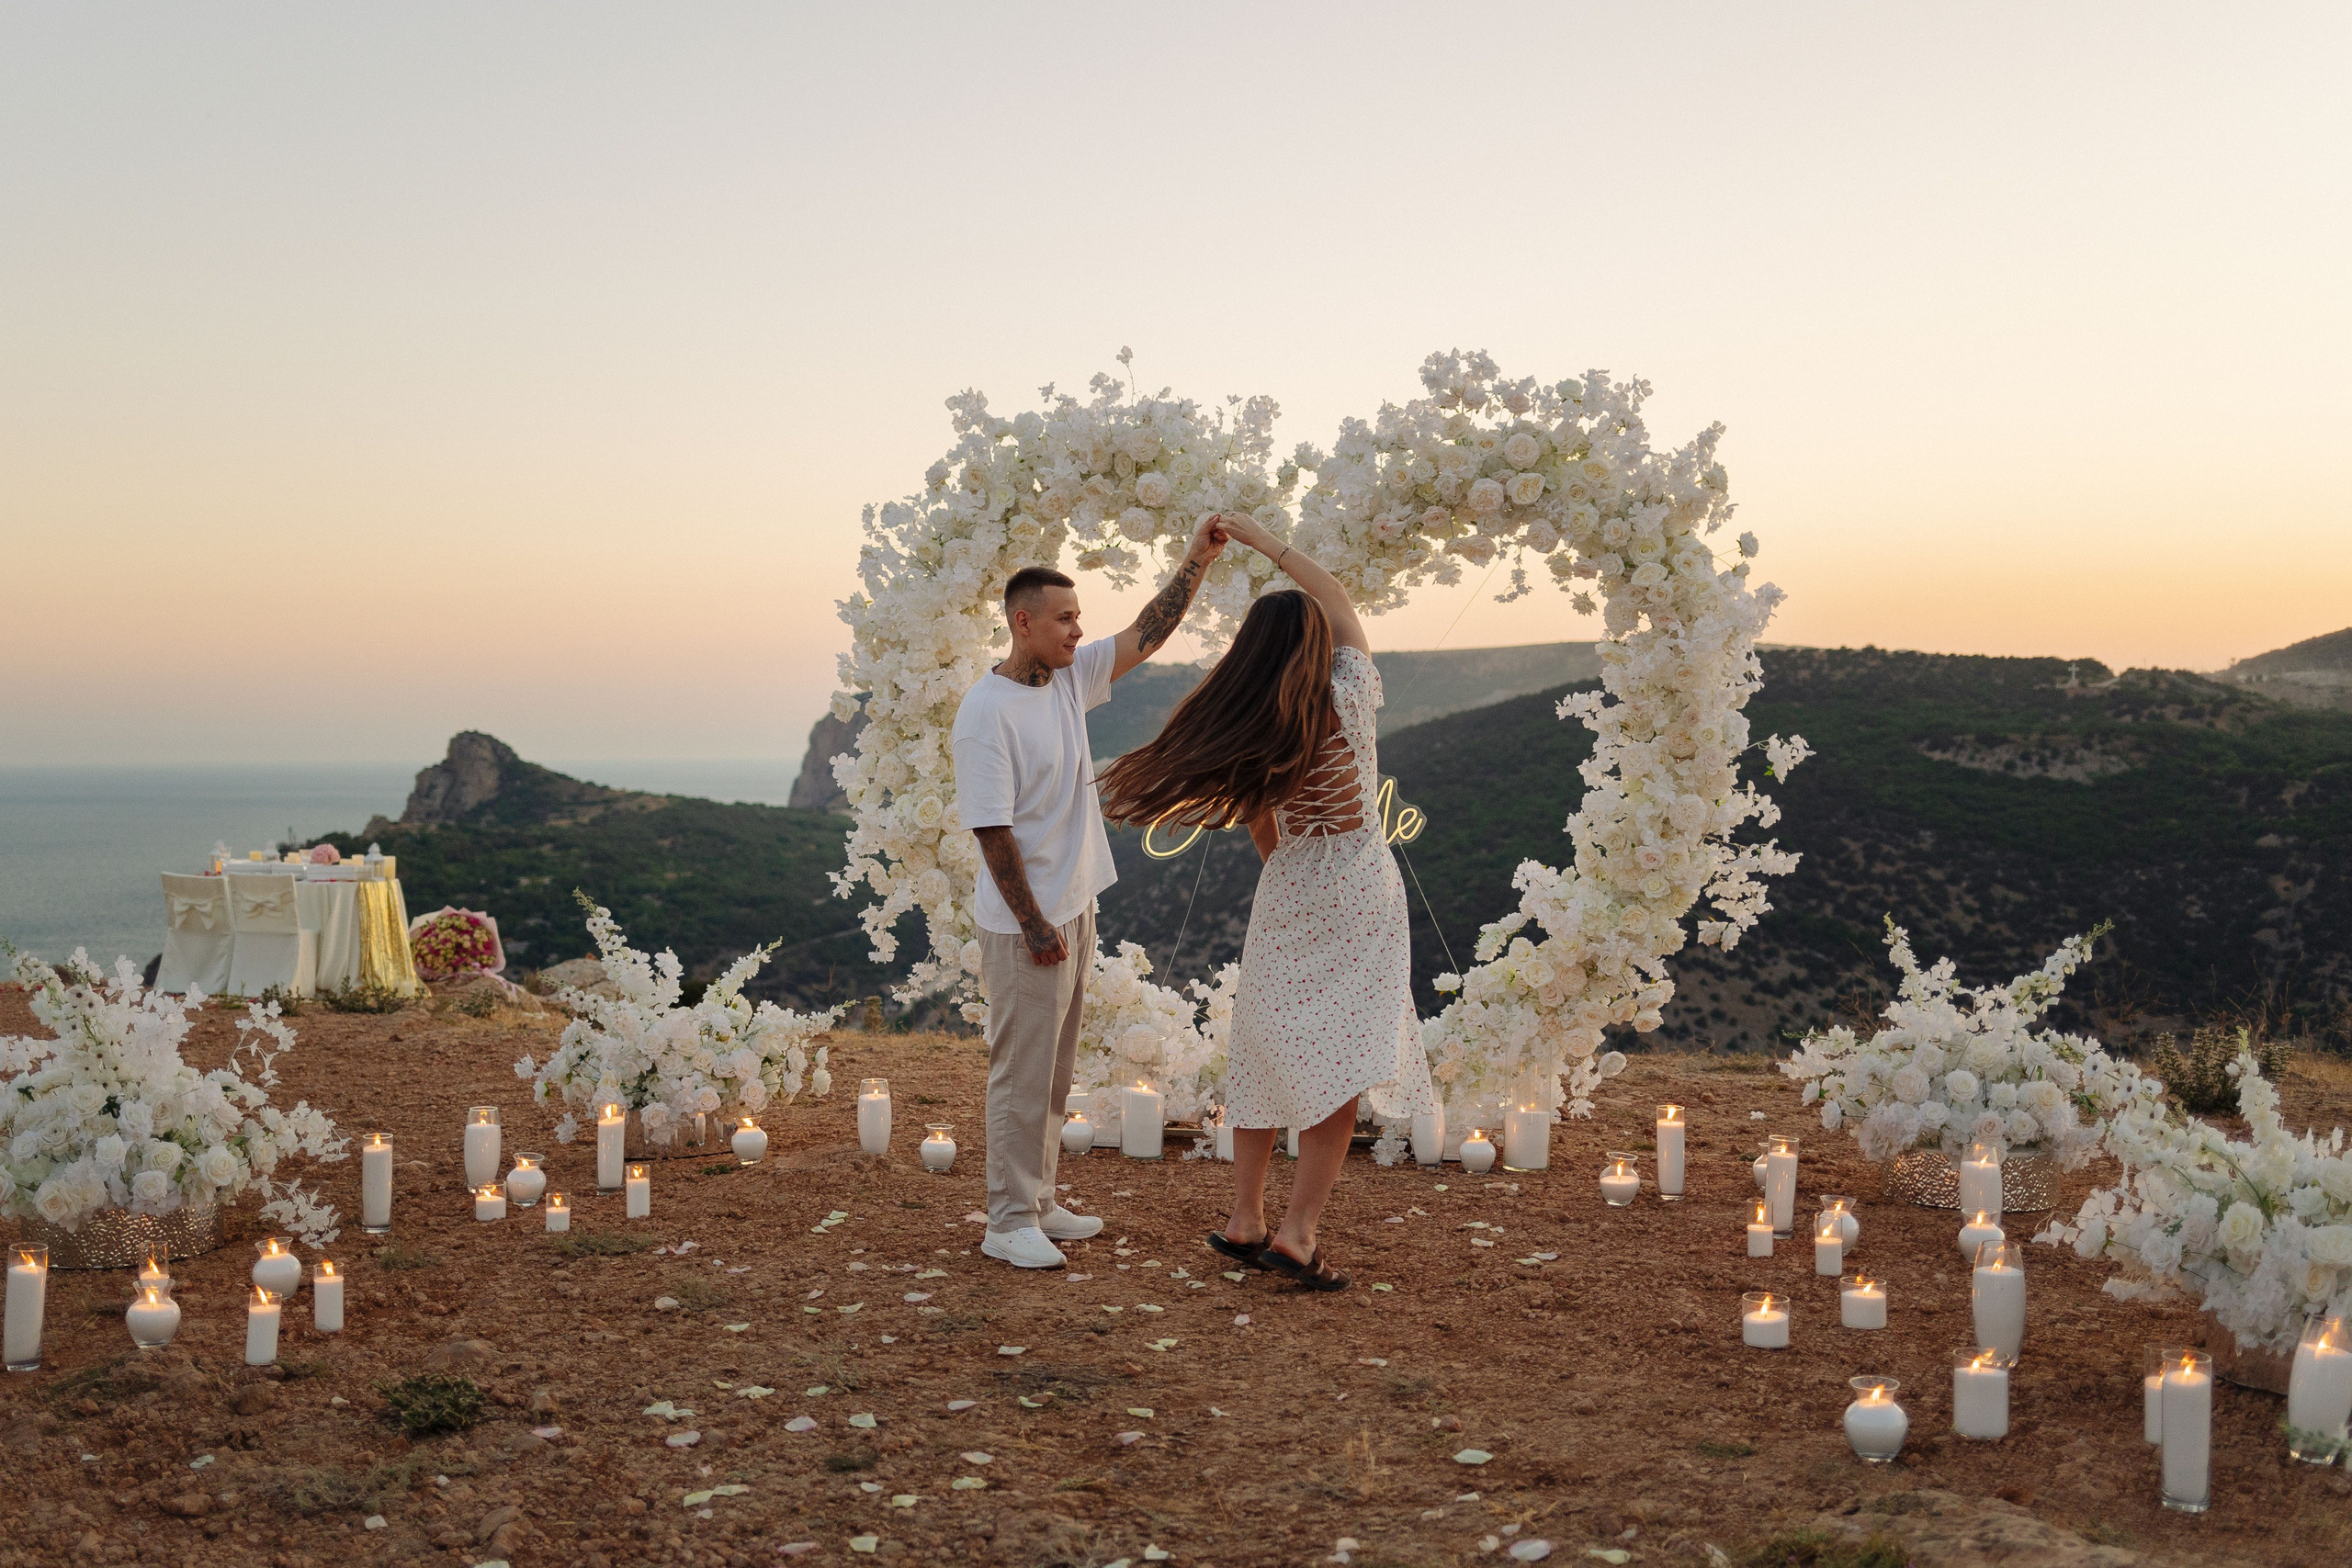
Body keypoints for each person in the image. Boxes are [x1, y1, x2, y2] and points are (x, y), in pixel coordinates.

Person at [1097, 514, 1436, 1292]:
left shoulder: (1257, 726)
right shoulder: (1348, 696)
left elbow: (1259, 822)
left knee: (1264, 1042)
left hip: (1290, 881)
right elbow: (1340, 599)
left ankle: (1247, 1215)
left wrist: (1290, 869)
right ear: (1315, 647)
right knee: (1342, 1057)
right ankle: (1298, 1231)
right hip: (1356, 880)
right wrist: (1259, 539)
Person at [952, 516, 1227, 1269]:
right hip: (1024, 922)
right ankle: (1005, 1221)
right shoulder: (985, 716)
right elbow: (992, 831)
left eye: (1079, 617)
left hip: (1073, 903)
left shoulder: (1069, 676)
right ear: (1023, 623)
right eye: (1065, 618)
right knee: (1021, 1069)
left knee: (1055, 1069)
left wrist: (1195, 559)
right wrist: (1036, 922)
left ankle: (1038, 1201)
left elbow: (1147, 633)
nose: (1080, 629)